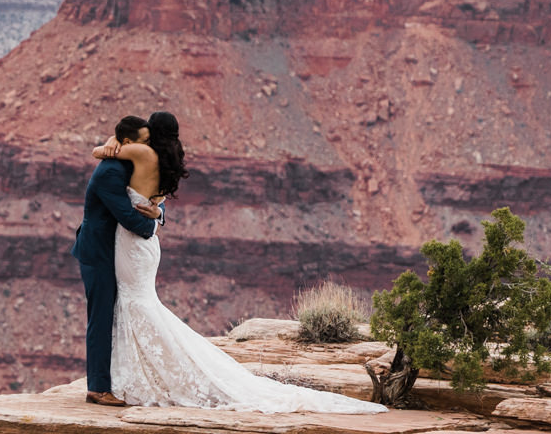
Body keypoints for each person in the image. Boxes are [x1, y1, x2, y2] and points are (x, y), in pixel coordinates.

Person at [88, 110, 383, 415]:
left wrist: (111, 140)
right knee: (140, 302)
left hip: (133, 242)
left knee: (135, 302)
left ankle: (127, 377)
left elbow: (101, 151)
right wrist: (158, 215)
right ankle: (138, 372)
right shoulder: (166, 161)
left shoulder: (142, 153)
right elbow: (150, 200)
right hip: (148, 247)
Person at [71, 114, 160, 407]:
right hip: (98, 253)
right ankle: (97, 388)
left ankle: (115, 380)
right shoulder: (110, 171)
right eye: (145, 142)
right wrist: (152, 227)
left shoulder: (128, 165)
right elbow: (128, 216)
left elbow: (147, 202)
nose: (151, 147)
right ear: (127, 143)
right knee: (101, 318)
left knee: (116, 314)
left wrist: (159, 214)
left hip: (115, 252)